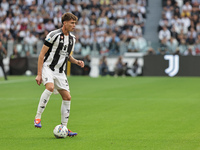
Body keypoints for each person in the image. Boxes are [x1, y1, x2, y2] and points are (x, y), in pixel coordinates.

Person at [34, 12, 84, 137]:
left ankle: (65, 128)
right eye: (72, 23)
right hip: (48, 68)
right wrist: (39, 74)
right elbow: (41, 54)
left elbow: (67, 56)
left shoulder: (72, 38)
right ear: (65, 23)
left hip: (60, 72)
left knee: (67, 97)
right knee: (50, 87)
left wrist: (77, 61)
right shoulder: (53, 35)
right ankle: (38, 117)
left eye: (75, 23)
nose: (74, 25)